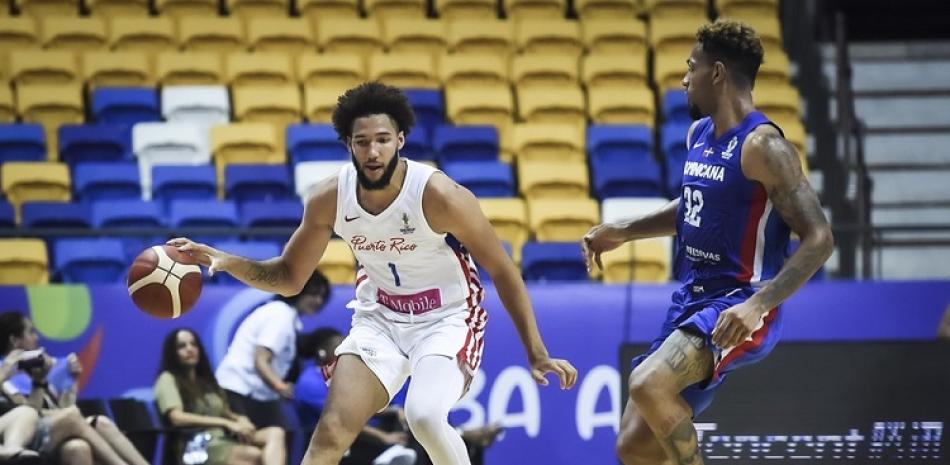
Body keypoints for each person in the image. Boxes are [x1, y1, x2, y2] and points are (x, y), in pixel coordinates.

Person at [168, 81, 577, 465]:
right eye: (362, 142)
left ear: (400, 140)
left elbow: (504, 271)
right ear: (349, 144)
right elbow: (290, 277)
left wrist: (536, 351)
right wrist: (222, 260)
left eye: (382, 140)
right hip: (379, 318)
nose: (373, 152)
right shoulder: (329, 198)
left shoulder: (439, 195)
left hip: (447, 318)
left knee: (424, 416)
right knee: (330, 432)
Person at [582, 19, 834, 465]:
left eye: (691, 67)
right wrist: (623, 231)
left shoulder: (764, 147)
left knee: (647, 383)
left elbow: (820, 239)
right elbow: (693, 207)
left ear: (716, 73)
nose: (684, 78)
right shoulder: (698, 135)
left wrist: (758, 306)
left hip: (739, 304)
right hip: (691, 303)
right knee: (633, 448)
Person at [0, 310, 148, 465]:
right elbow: (29, 412)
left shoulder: (33, 371)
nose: (37, 337)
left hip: (47, 429)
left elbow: (61, 407)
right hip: (23, 435)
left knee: (80, 445)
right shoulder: (6, 370)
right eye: (31, 332)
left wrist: (72, 382)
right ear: (15, 340)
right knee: (72, 416)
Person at [214, 270, 330, 430]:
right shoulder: (280, 316)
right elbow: (260, 360)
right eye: (313, 294)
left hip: (253, 392)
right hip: (238, 390)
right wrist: (280, 387)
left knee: (279, 435)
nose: (318, 301)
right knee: (274, 435)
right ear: (298, 291)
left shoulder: (285, 315)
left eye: (322, 297)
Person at [154, 328, 285, 465]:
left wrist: (239, 419)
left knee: (276, 433)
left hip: (224, 436)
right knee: (255, 455)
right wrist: (226, 423)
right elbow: (177, 418)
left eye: (193, 344)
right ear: (172, 353)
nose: (190, 349)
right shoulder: (168, 378)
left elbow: (223, 412)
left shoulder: (206, 382)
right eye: (182, 346)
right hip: (198, 444)